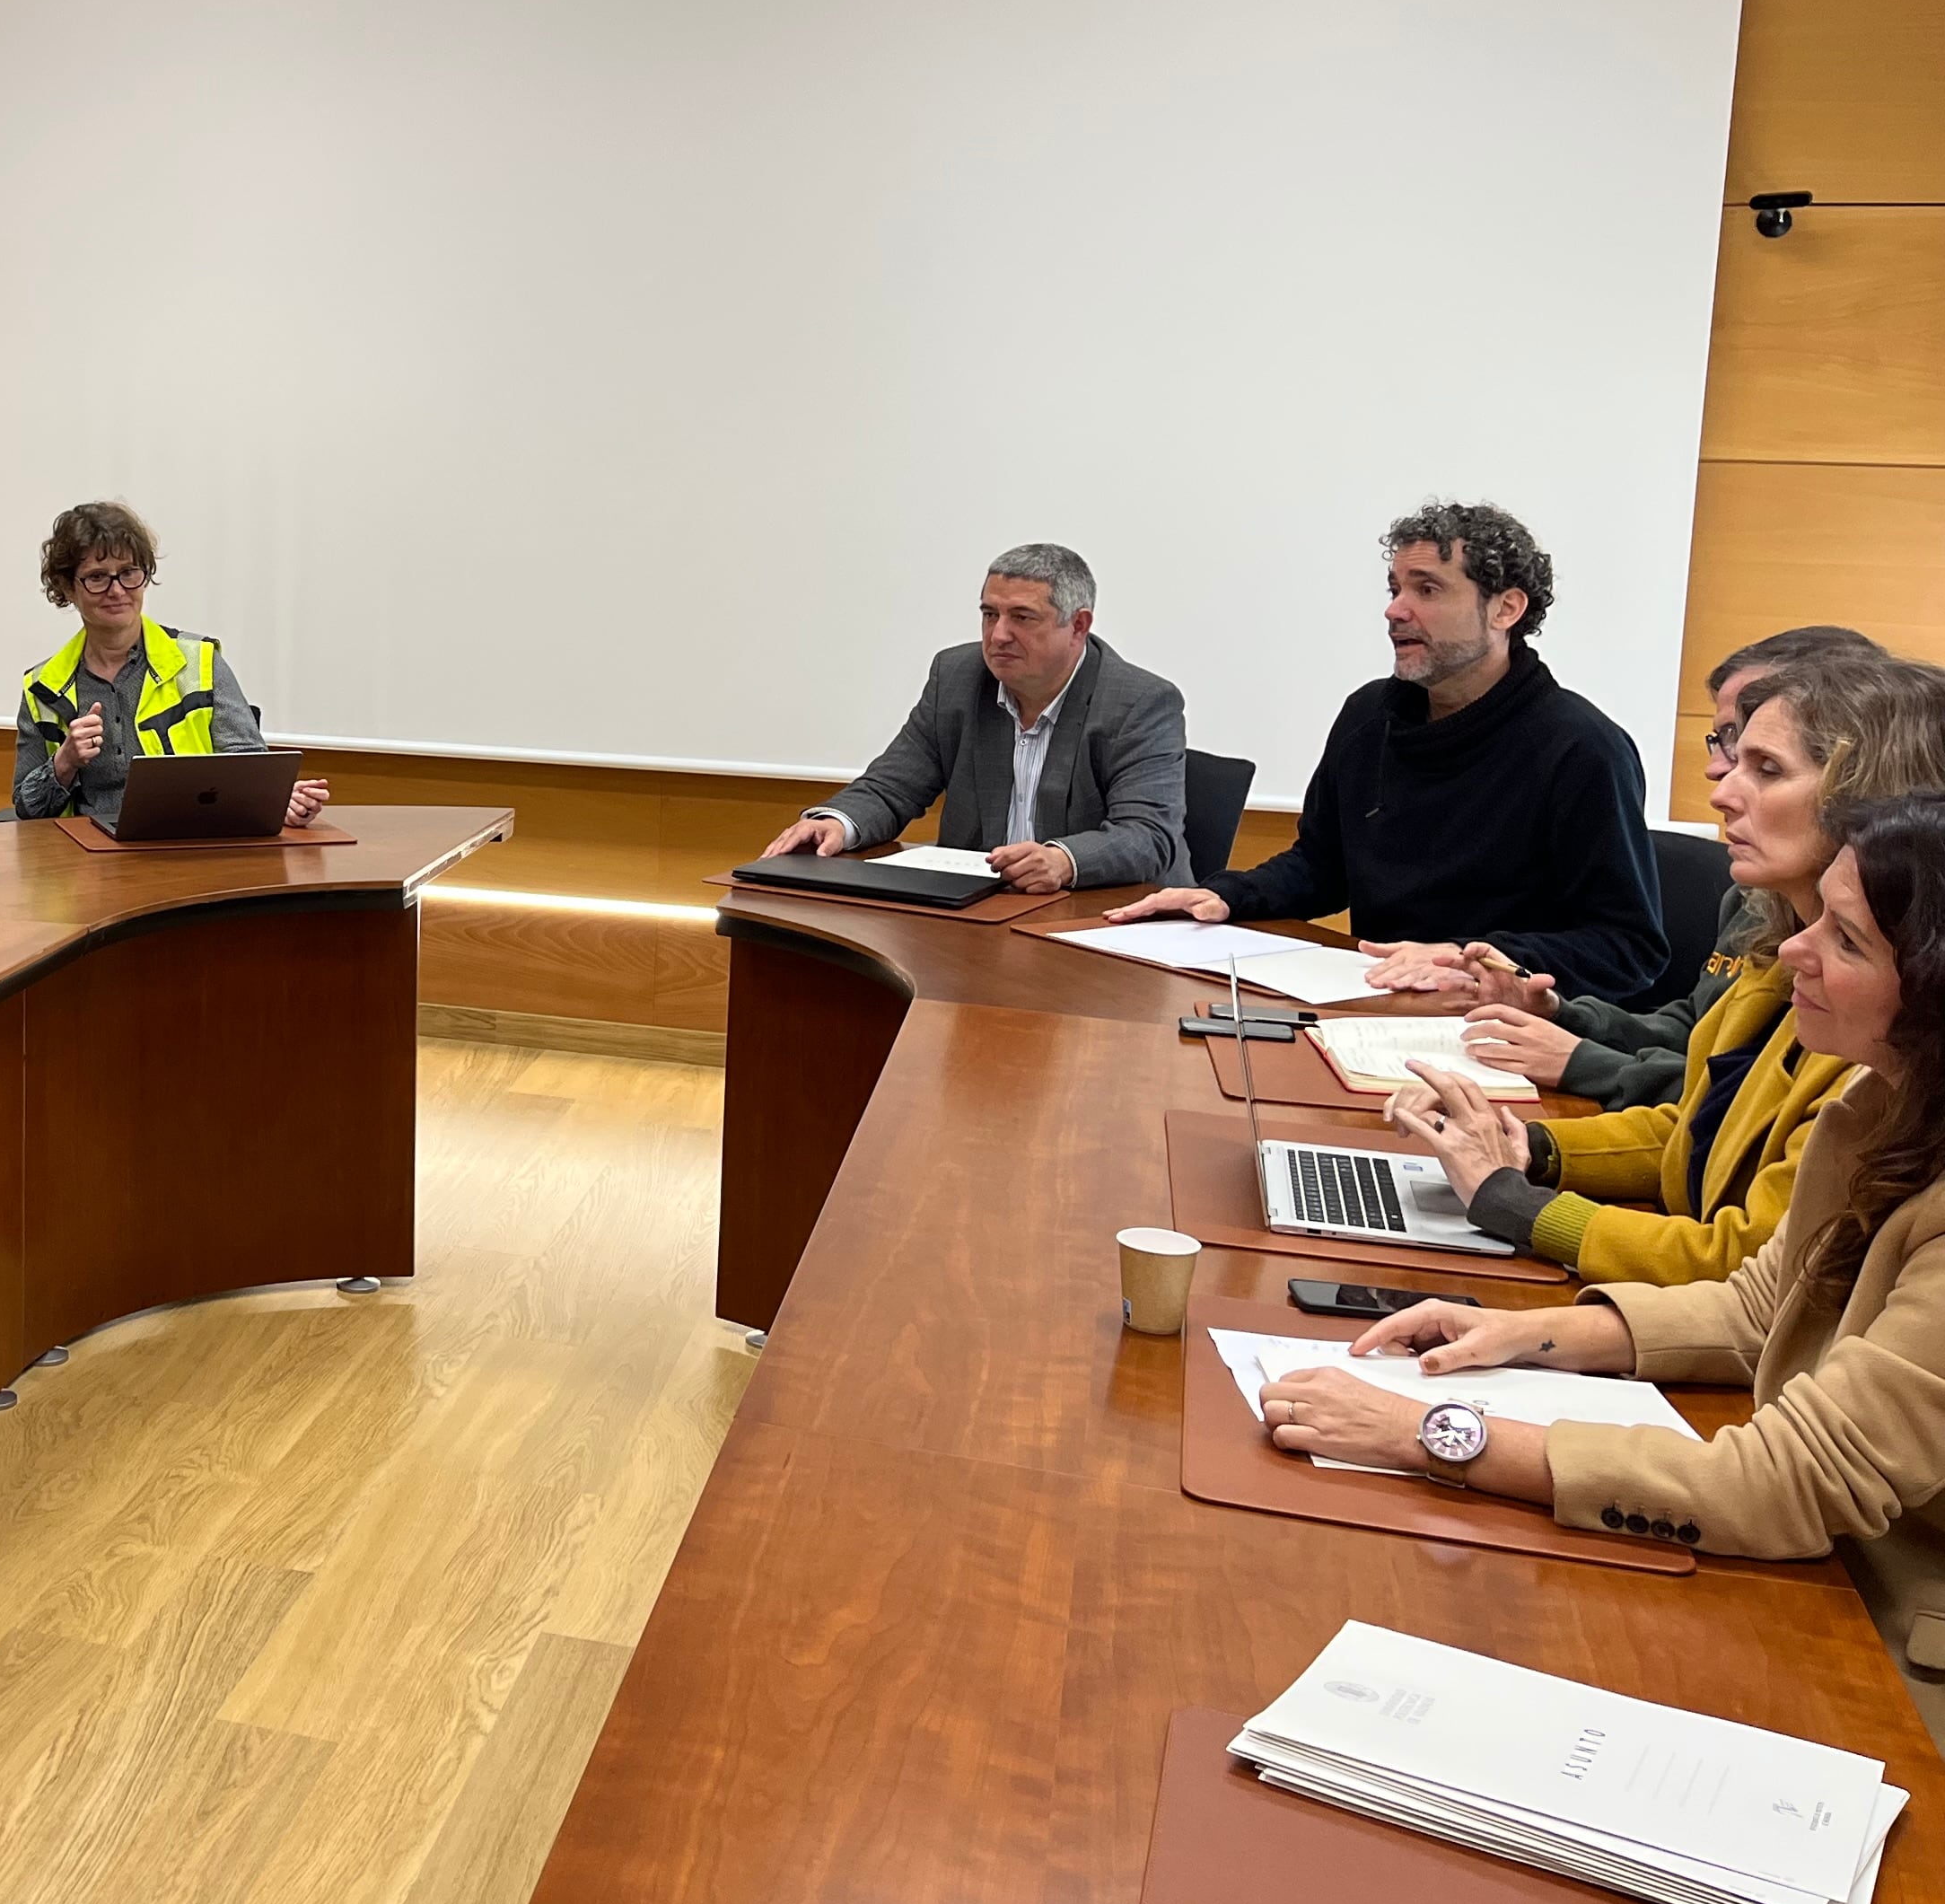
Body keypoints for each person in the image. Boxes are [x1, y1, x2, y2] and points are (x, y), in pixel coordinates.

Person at [1250, 793, 1945, 1658]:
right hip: (1826, 1566)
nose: (1794, 950)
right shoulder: (1883, 1101)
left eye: (1846, 940)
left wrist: (1430, 1435)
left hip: (1894, 1634)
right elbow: (1761, 1307)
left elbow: (1784, 1485)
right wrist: (1526, 1331)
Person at [1380, 646, 1945, 1286]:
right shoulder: (1774, 954)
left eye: (1766, 769)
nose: (1724, 791)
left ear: (1861, 797)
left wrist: (1513, 1200)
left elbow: (1752, 1268)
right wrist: (1522, 1145)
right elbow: (1696, 1135)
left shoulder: (1874, 1015)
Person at [1105, 501, 1663, 1003]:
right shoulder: (1370, 715)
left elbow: (1626, 948)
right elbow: (1322, 868)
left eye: (1427, 589)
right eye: (1394, 589)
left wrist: (1466, 957)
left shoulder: (1583, 748)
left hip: (1503, 1025)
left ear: (1506, 610)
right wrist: (1224, 896)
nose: (1395, 611)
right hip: (1373, 999)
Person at [1462, 625, 1886, 1107]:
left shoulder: (1878, 944)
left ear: (1853, 771)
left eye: (1763, 760)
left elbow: (1739, 1107)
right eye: (1727, 740)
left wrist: (1583, 1062)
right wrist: (1564, 1014)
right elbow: (1697, 1031)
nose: (1717, 781)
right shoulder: (1756, 899)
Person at [760, 542, 1188, 892]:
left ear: (1078, 626)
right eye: (989, 614)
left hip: (1106, 921)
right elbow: (893, 785)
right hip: (983, 913)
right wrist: (836, 823)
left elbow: (1147, 836)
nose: (998, 635)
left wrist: (1062, 860)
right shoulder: (958, 677)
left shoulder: (1141, 702)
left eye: (1021, 617)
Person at [10, 500, 329, 830]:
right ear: (66, 588)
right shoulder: (42, 687)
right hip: (90, 862)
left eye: (129, 573)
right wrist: (64, 762)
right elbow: (27, 810)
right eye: (97, 577)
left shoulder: (199, 661)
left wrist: (282, 800)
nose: (117, 590)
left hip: (194, 846)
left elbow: (252, 771)